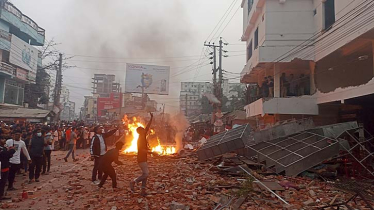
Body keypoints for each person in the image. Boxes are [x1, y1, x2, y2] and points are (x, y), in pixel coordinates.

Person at [130, 113, 154, 196]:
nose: (145, 130)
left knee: (145, 174)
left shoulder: (143, 136)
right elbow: (142, 150)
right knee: (146, 174)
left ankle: (143, 190)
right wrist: (151, 152)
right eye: (143, 130)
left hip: (144, 158)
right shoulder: (140, 139)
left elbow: (147, 127)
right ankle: (134, 181)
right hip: (141, 158)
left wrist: (151, 118)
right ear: (140, 132)